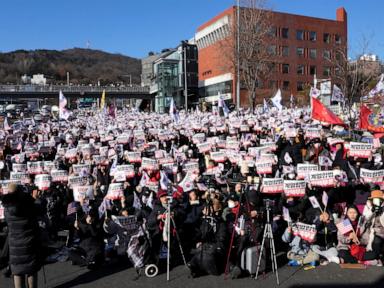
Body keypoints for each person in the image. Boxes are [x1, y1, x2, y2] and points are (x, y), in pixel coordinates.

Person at [1, 183, 41, 288]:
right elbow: (40, 209)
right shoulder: (27, 205)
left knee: (17, 271)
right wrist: (35, 198)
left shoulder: (6, 209)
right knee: (31, 270)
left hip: (14, 244)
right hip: (29, 242)